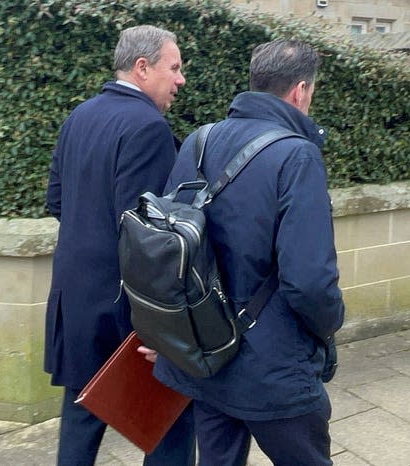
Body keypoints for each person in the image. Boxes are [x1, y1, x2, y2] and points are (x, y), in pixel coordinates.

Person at [153, 39, 345, 466]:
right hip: (273, 368)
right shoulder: (298, 156)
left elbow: (165, 248)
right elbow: (310, 281)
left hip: (207, 355)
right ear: (300, 91)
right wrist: (330, 325)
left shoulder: (198, 142)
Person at [44, 25, 194, 466]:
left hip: (76, 300)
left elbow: (57, 201)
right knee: (168, 422)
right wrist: (164, 326)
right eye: (175, 67)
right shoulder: (148, 126)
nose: (180, 79)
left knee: (81, 418)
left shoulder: (80, 116)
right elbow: (147, 238)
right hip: (127, 311)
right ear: (142, 67)